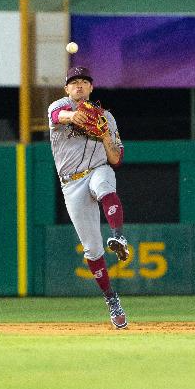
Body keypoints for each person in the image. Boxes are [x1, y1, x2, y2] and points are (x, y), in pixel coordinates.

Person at [48, 65, 130, 329]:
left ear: (91, 87)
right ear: (67, 89)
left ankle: (118, 236)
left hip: (97, 169)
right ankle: (111, 299)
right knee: (92, 249)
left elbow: (116, 159)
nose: (79, 86)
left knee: (105, 186)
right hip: (71, 183)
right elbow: (59, 116)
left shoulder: (106, 116)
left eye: (84, 81)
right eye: (74, 82)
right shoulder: (58, 106)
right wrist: (74, 116)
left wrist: (104, 133)